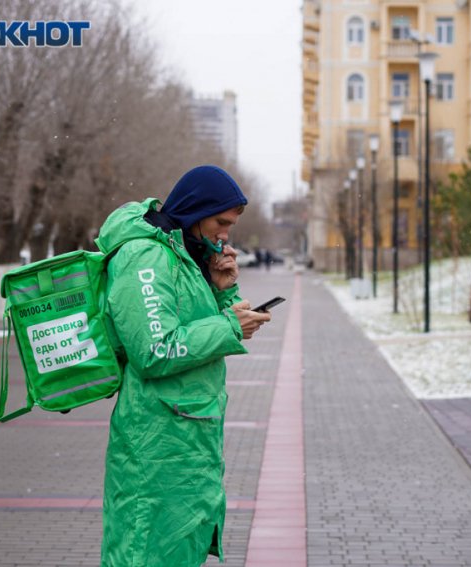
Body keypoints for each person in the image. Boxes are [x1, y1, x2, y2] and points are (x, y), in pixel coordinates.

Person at [94, 165, 272, 566]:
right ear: (194, 211)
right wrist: (230, 326)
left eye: (231, 225)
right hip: (156, 450)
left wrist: (222, 291)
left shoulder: (181, 255)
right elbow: (155, 349)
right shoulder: (145, 255)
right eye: (220, 222)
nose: (225, 235)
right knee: (143, 555)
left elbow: (190, 327)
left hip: (188, 445)